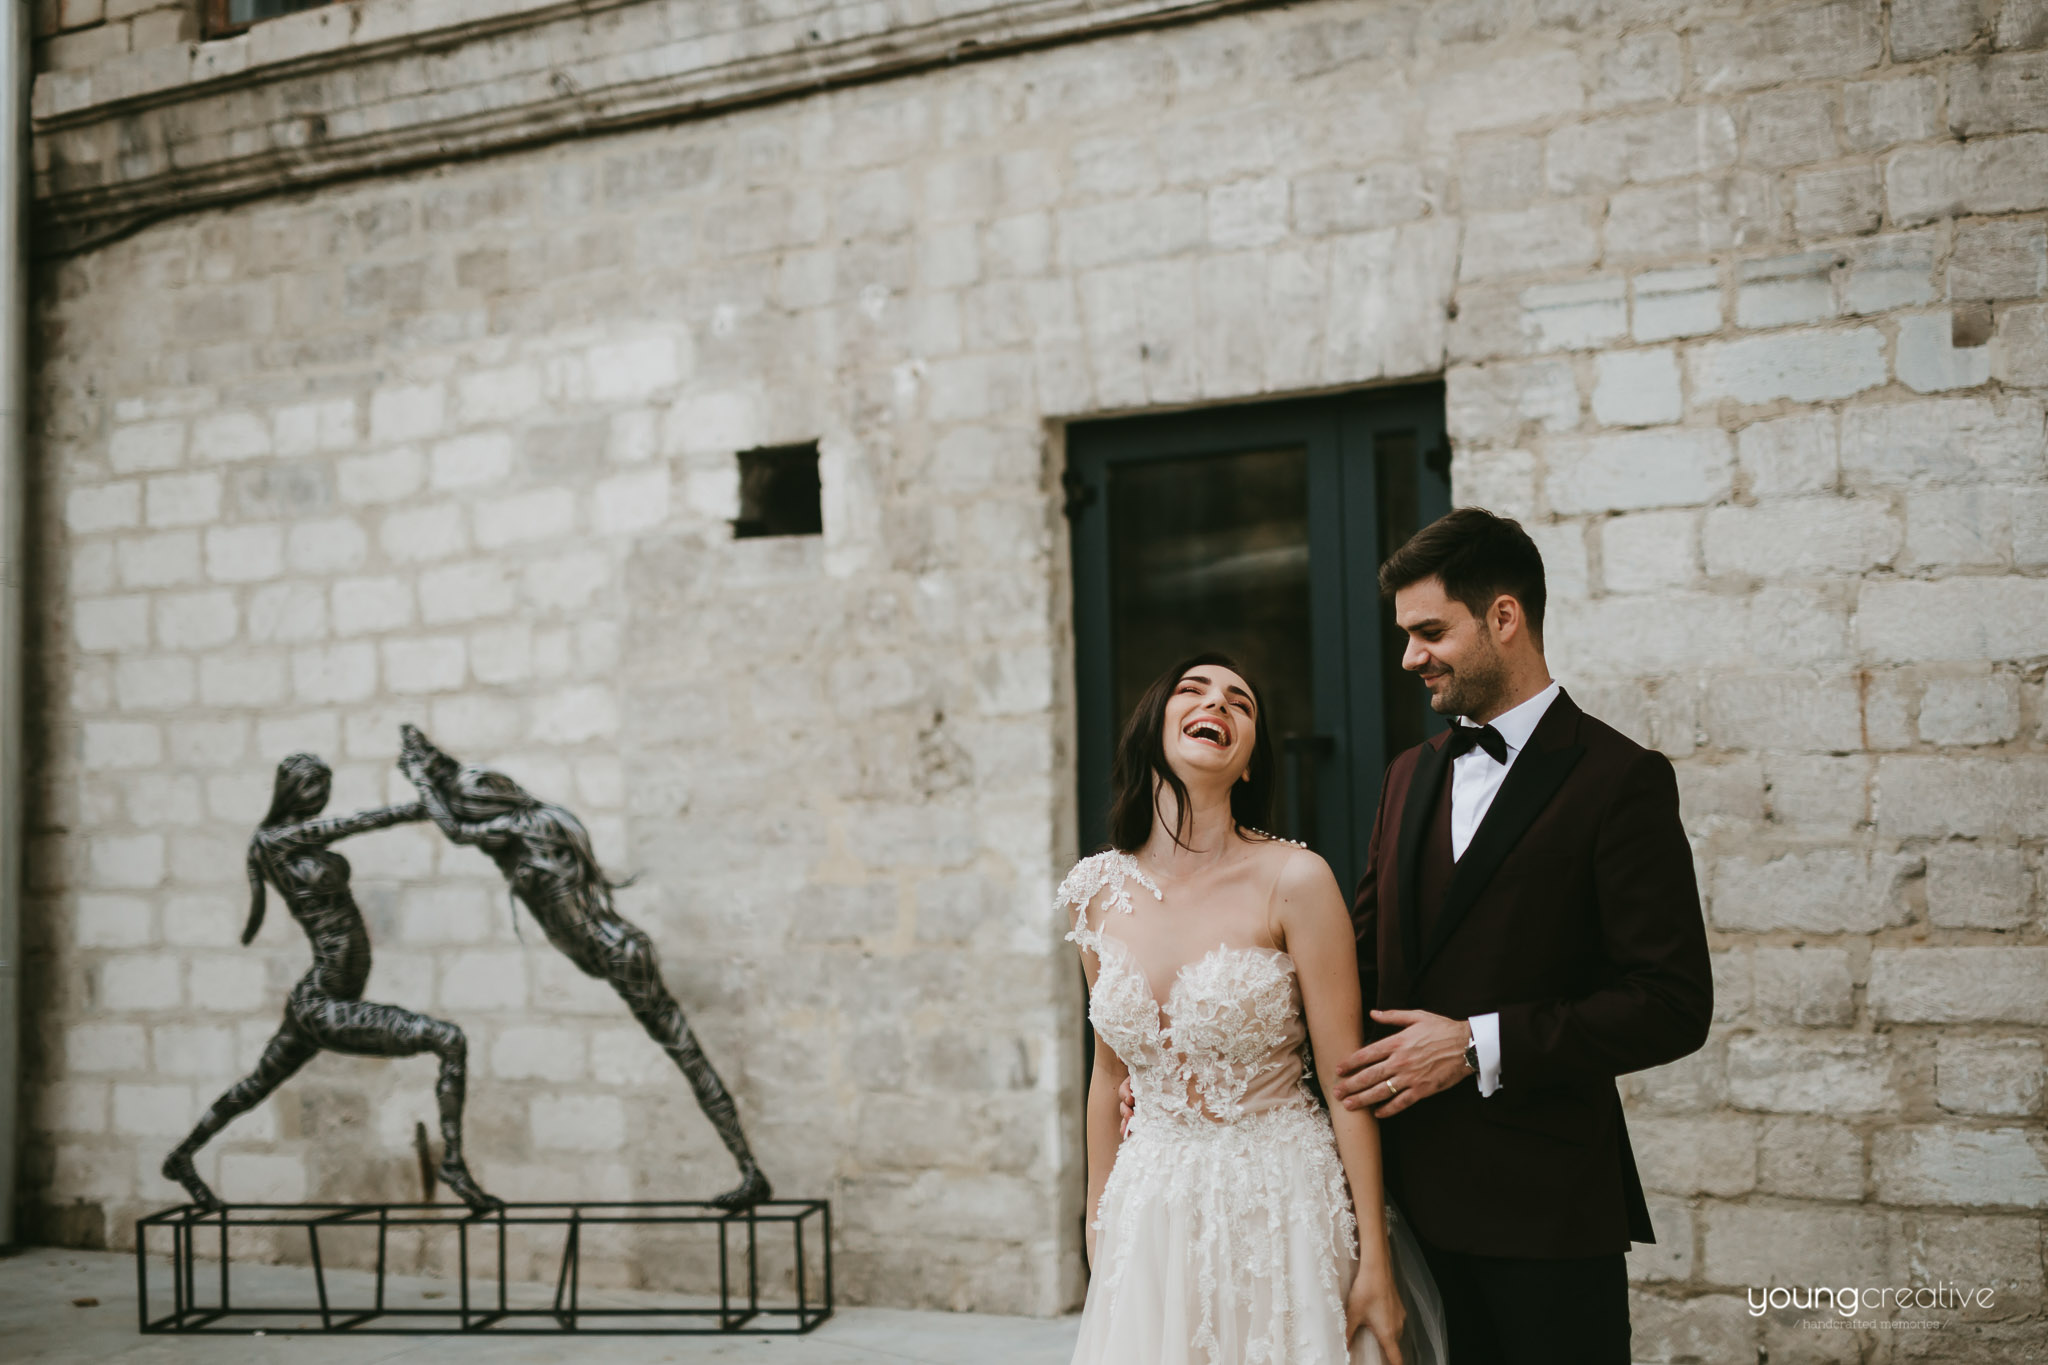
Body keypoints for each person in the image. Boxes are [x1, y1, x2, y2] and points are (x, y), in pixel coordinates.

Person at [1329, 508, 1713, 1364]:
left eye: (1430, 631)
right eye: (1405, 634)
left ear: (1504, 617)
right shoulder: (1405, 777)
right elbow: (1353, 969)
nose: (1408, 658)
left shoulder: (1622, 780)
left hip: (1546, 1218)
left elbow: (1673, 1001)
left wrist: (1475, 1045)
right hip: (1401, 1215)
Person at [1063, 652, 1445, 1365]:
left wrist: (1374, 1259)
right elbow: (1106, 1073)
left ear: (1246, 764)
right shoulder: (1095, 892)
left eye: (1241, 701)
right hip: (1150, 1207)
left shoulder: (1294, 879)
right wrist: (1098, 1215)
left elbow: (1345, 1080)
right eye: (1194, 689)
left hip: (1279, 1203)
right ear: (1155, 727)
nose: (1219, 703)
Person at [395, 723, 771, 1210]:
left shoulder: (528, 825)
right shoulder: (526, 828)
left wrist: (423, 781)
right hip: (610, 952)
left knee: (687, 1055)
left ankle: (749, 1171)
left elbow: (458, 831)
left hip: (617, 952)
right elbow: (455, 822)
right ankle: (749, 1171)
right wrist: (425, 784)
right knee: (687, 1054)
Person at [162, 753, 501, 1213]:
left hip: (321, 997)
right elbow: (358, 822)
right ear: (288, 791)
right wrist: (420, 801)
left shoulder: (289, 841)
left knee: (255, 1086)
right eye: (309, 787)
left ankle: (181, 1157)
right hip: (325, 1004)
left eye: (324, 786)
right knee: (449, 1040)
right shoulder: (276, 839)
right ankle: (454, 1165)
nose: (319, 796)